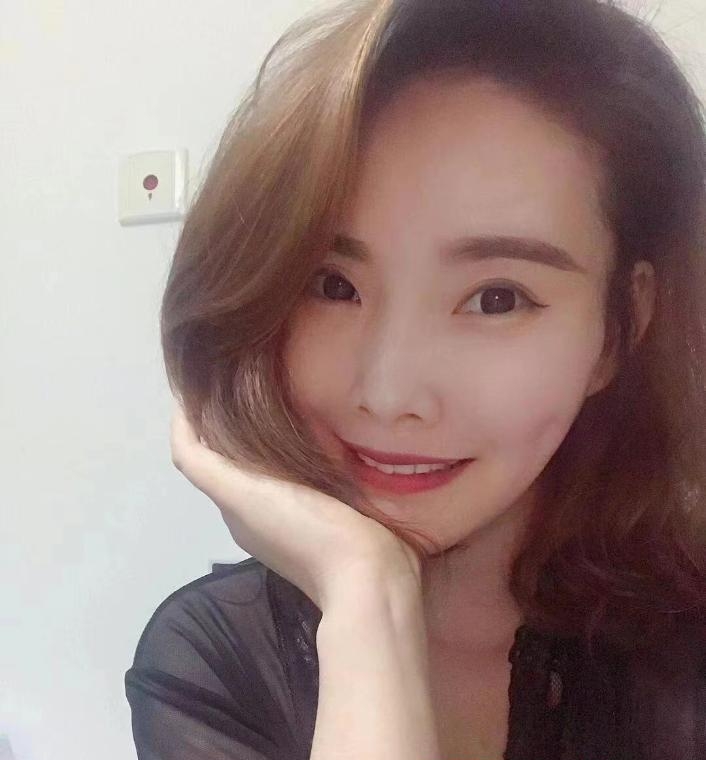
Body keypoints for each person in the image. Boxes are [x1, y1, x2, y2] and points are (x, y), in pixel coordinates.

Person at [124, 1, 706, 758]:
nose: (389, 394)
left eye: (497, 298)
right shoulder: (217, 659)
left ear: (618, 330)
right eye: (333, 285)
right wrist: (367, 595)